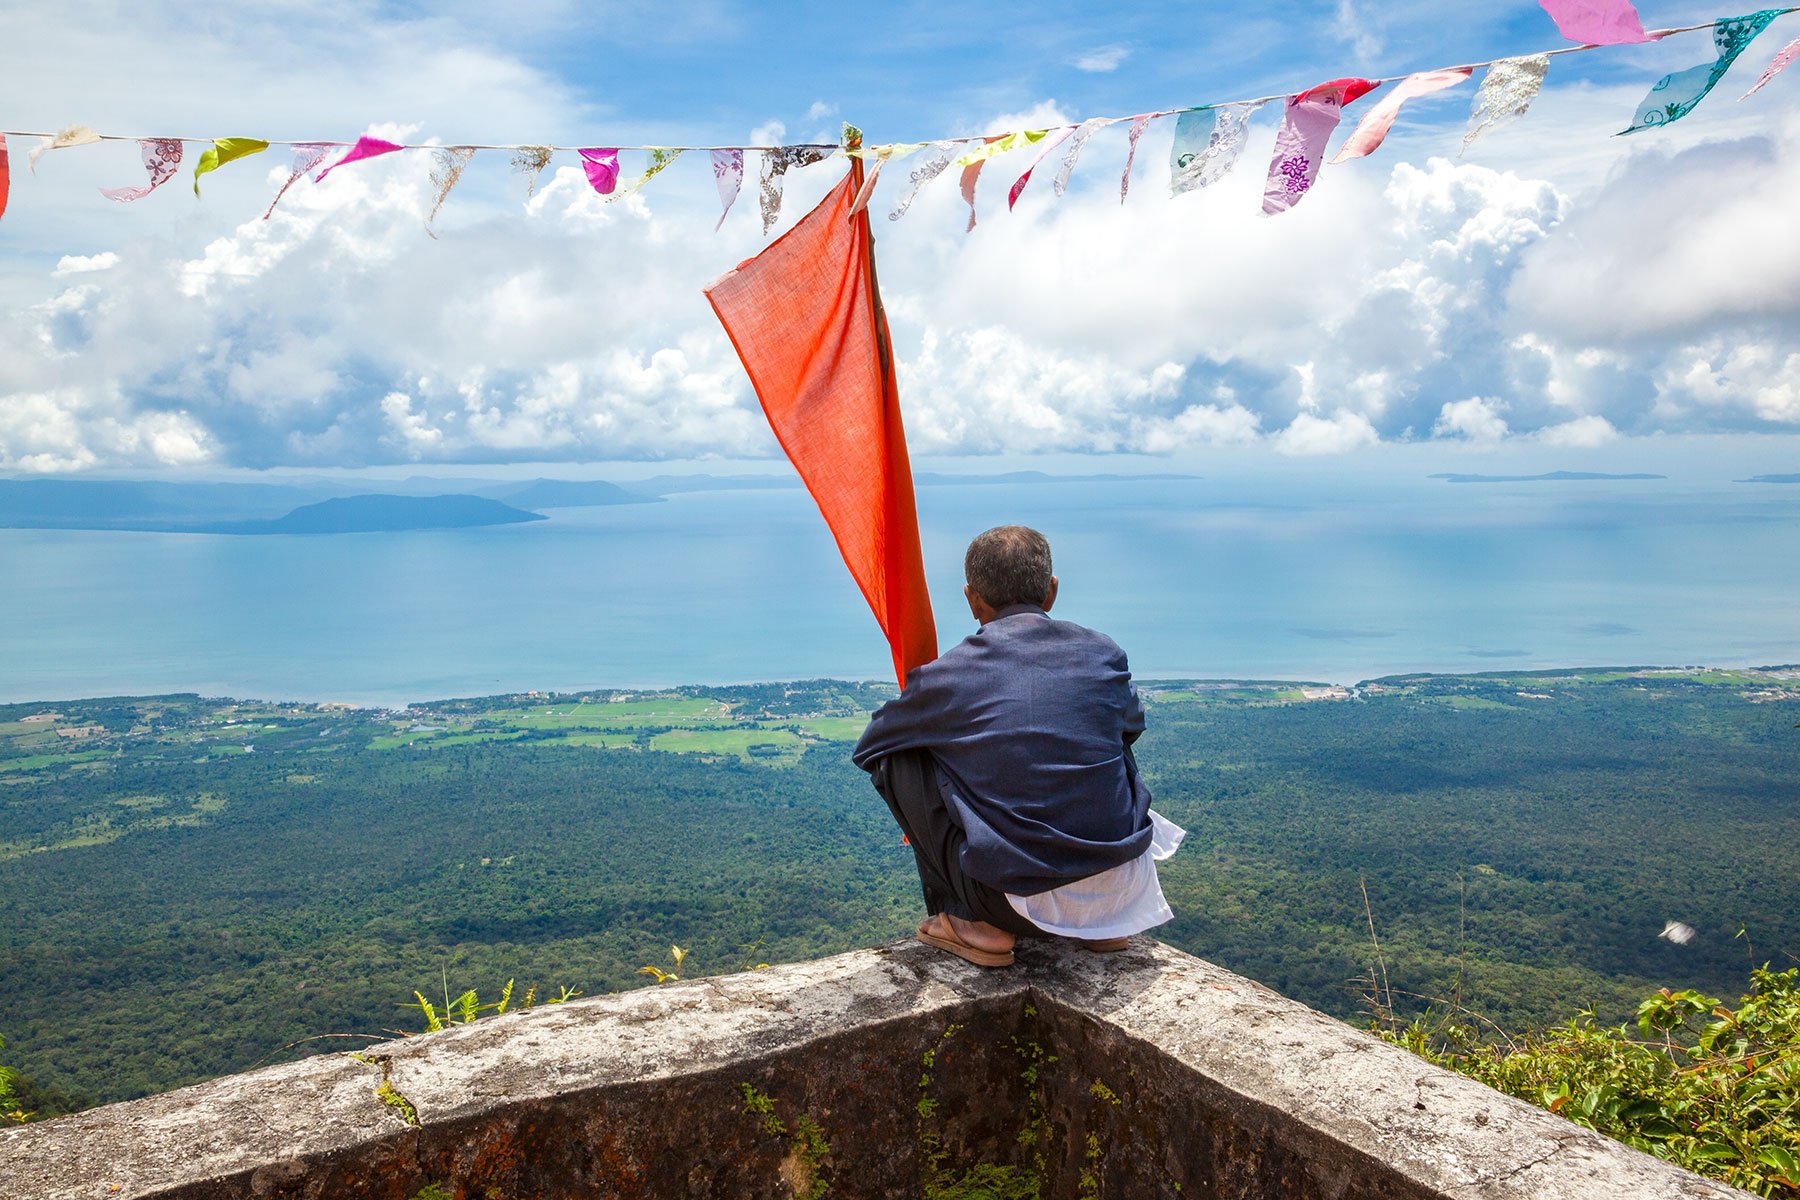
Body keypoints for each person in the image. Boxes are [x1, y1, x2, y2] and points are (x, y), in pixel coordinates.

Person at [852, 525, 1184, 967]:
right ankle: (1102, 931)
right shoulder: (1104, 653)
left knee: (899, 756)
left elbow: (873, 745)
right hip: (1125, 887)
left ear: (972, 600)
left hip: (1009, 901)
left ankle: (973, 922)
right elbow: (1130, 727)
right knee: (1112, 734)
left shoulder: (951, 674)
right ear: (1051, 592)